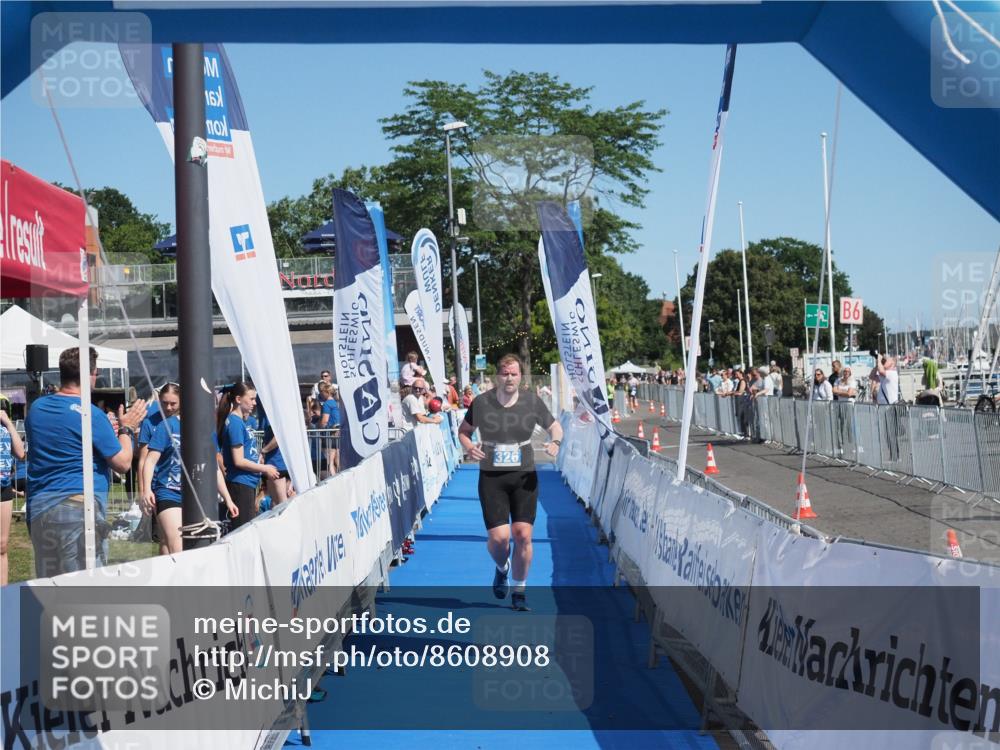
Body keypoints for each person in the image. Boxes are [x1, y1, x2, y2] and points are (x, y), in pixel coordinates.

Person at [25, 347, 147, 577]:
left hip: (40, 509)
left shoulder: (37, 409)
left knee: (49, 588)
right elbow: (122, 462)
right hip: (76, 509)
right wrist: (127, 427)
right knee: (84, 588)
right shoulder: (89, 414)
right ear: (91, 373)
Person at [458, 354, 562, 612]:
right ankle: (501, 568)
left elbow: (556, 427)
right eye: (505, 373)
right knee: (499, 540)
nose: (509, 378)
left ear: (520, 376)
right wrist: (470, 447)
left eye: (514, 374)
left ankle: (520, 590)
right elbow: (463, 431)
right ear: (497, 376)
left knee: (523, 535)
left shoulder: (532, 401)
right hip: (492, 476)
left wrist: (555, 443)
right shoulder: (482, 402)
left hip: (524, 475)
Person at [141, 384, 237, 555]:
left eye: (173, 403)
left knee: (168, 544)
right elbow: (149, 460)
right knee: (177, 545)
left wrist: (228, 499)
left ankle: (165, 579)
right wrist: (146, 489)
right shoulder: (166, 426)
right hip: (168, 491)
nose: (168, 408)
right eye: (165, 403)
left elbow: (213, 468)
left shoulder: (206, 431)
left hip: (195, 495)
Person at [217, 382, 279, 529]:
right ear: (238, 399)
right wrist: (265, 468)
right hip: (240, 483)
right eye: (251, 399)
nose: (254, 403)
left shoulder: (240, 421)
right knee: (243, 530)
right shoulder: (235, 423)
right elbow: (238, 460)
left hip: (246, 483)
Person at [1, 406, 26, 584]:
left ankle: (3, 596)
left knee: (2, 546)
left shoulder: (4, 428)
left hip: (3, 489)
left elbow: (20, 453)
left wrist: (8, 423)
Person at [260, 408, 295, 507]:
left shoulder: (273, 412)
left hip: (277, 463)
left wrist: (263, 451)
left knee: (282, 504)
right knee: (275, 503)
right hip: (273, 461)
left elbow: (279, 437)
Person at [317, 383, 341, 475]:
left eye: (322, 392)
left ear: (326, 392)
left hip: (329, 435)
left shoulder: (327, 404)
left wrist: (318, 427)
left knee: (329, 463)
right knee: (337, 461)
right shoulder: (336, 403)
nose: (321, 394)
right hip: (337, 433)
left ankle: (336, 482)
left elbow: (324, 421)